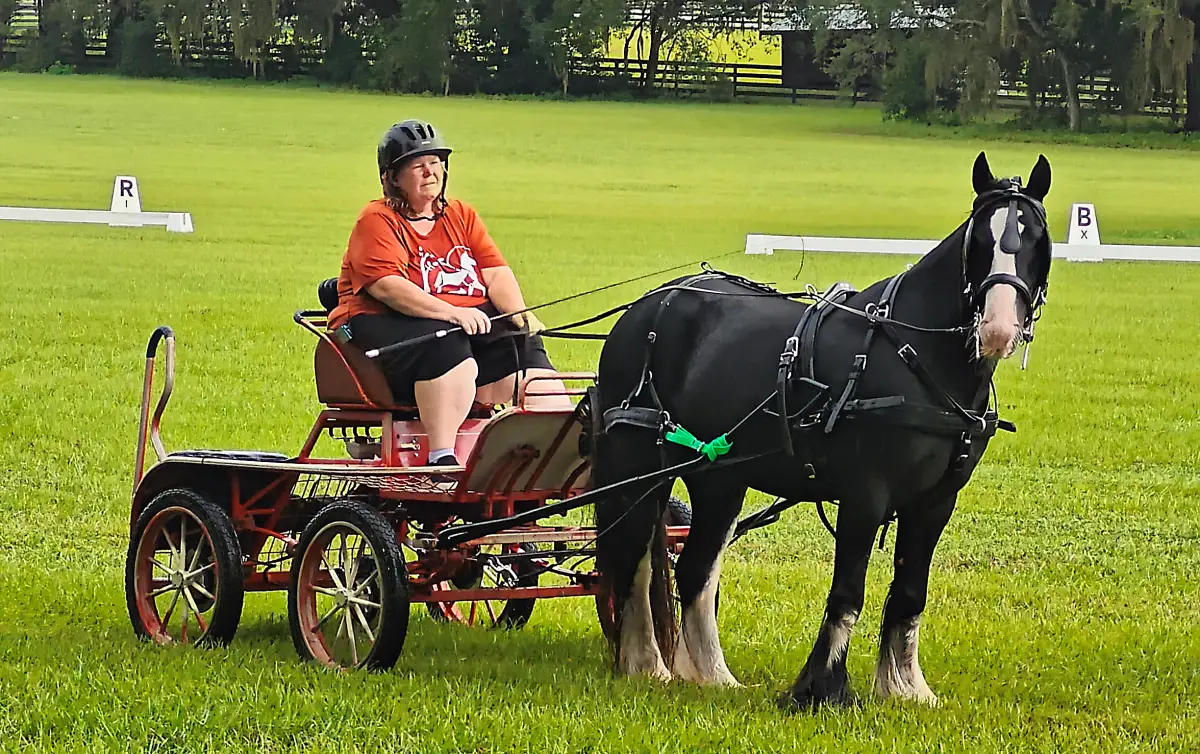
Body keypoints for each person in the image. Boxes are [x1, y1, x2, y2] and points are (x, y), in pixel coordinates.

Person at [327, 119, 569, 467]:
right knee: (444, 341)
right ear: (393, 178)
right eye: (417, 166)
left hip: (461, 322)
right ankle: (442, 457)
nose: (430, 173)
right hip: (380, 324)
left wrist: (520, 314)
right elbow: (386, 286)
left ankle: (560, 449)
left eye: (435, 164)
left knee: (521, 341)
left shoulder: (460, 214)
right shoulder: (376, 220)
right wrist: (451, 313)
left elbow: (495, 272)